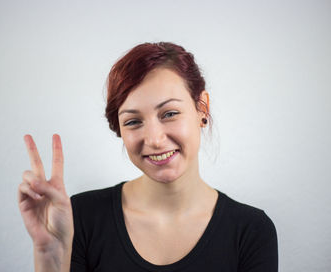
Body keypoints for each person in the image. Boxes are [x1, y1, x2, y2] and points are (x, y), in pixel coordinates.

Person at [18, 42, 278, 272]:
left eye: (169, 114)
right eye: (133, 121)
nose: (154, 139)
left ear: (202, 109)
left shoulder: (251, 231)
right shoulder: (79, 218)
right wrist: (50, 255)